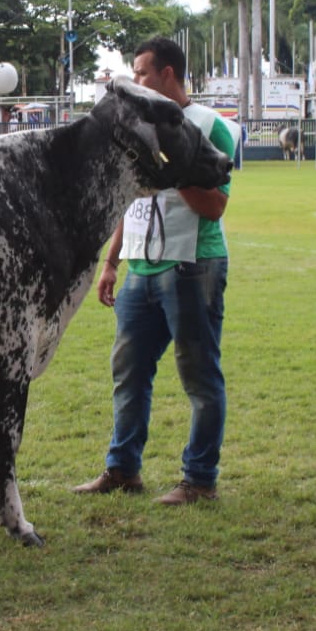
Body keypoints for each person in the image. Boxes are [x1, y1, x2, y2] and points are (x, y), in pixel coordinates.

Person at [74, 36, 236, 505]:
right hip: (140, 270)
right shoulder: (140, 127)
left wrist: (173, 166)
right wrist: (111, 262)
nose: (136, 80)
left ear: (167, 74)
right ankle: (122, 470)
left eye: (143, 72)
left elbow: (215, 206)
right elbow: (129, 201)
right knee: (128, 373)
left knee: (199, 377)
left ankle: (199, 480)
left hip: (192, 264)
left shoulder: (210, 126)